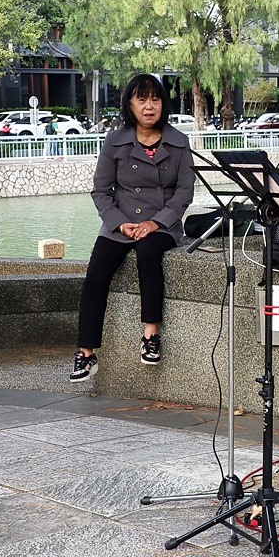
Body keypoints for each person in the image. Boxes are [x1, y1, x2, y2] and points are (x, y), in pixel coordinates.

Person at [69, 74, 195, 382]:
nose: (149, 107)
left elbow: (184, 192)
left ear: (163, 104)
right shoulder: (115, 140)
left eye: (155, 99)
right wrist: (119, 223)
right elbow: (101, 190)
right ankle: (86, 353)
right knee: (96, 271)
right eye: (141, 100)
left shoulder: (178, 142)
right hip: (120, 223)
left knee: (149, 254)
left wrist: (156, 222)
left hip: (161, 223)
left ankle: (150, 334)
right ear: (130, 104)